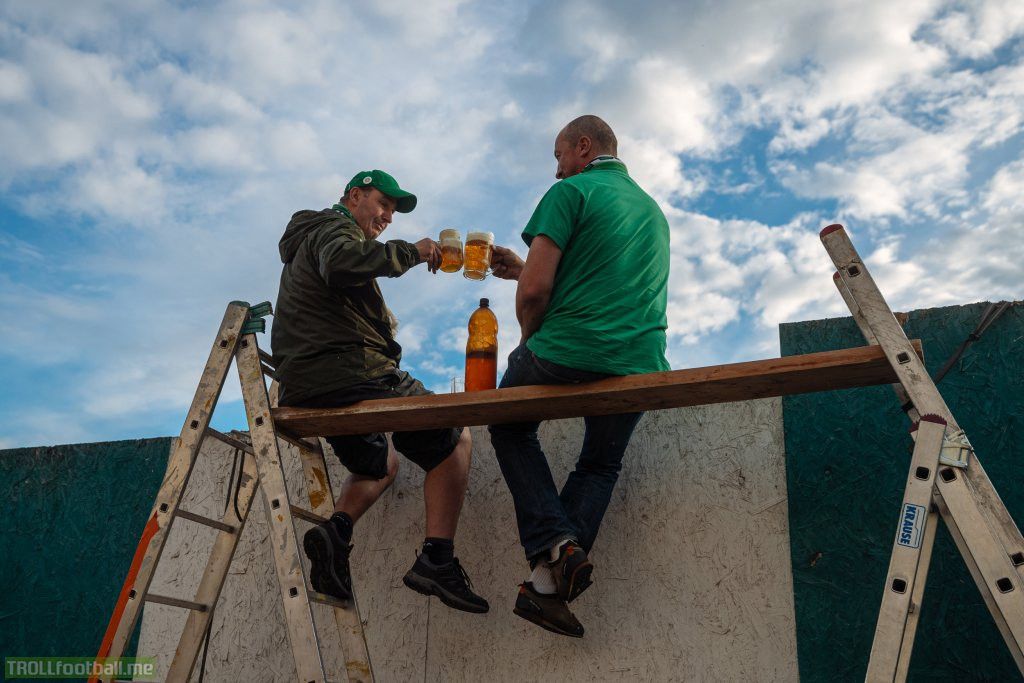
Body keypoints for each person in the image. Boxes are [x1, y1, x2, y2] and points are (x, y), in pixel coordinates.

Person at [271, 169, 488, 614]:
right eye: (382, 204)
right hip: (351, 372)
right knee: (455, 437)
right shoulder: (332, 227)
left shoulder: (311, 237)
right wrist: (412, 251)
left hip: (310, 385)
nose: (388, 215)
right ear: (354, 196)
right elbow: (343, 262)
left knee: (379, 464)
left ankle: (335, 533)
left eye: (393, 209)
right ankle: (437, 560)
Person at [488, 116, 670, 636]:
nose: (556, 167)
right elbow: (594, 279)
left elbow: (535, 294)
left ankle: (553, 543)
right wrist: (522, 265)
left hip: (567, 349)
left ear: (583, 147)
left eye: (558, 155)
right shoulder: (650, 210)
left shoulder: (570, 193)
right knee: (599, 465)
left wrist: (529, 343)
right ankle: (548, 584)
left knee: (507, 425)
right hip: (640, 360)